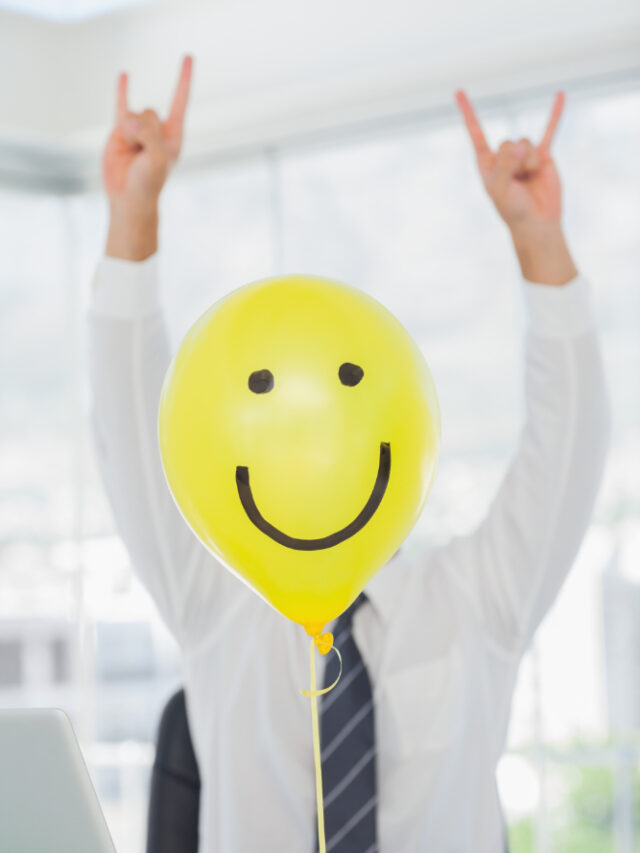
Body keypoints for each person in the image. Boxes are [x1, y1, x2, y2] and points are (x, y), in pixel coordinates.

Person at [88, 56, 609, 852]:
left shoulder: (477, 600)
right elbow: (133, 432)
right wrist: (134, 220)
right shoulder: (217, 605)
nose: (321, 458)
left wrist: (539, 243)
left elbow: (568, 447)